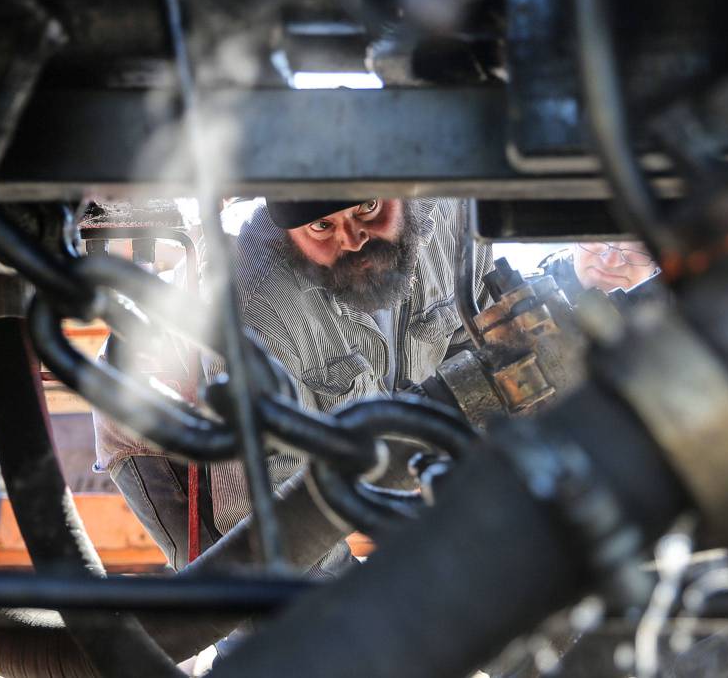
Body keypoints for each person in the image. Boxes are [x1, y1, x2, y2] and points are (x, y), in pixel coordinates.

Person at [93, 198, 491, 572]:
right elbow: (261, 518)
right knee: (270, 605)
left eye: (369, 208)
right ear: (289, 234)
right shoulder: (256, 306)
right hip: (180, 426)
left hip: (347, 420)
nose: (353, 240)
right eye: (322, 226)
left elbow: (478, 357)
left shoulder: (458, 215)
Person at [538, 240, 658, 303]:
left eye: (640, 246)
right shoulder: (524, 300)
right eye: (601, 234)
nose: (611, 261)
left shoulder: (672, 323)